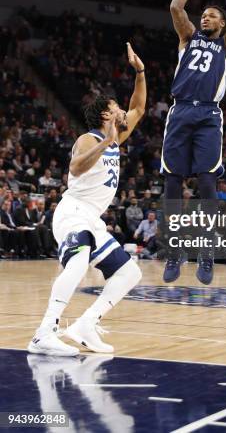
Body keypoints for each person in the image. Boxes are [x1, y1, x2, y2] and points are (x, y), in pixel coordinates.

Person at [28, 43, 146, 357]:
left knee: (129, 273)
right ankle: (44, 333)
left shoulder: (115, 138)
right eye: (117, 107)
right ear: (106, 113)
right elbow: (76, 167)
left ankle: (85, 324)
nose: (123, 110)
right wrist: (105, 141)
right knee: (78, 262)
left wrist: (140, 72)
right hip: (72, 213)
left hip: (91, 219)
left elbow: (140, 108)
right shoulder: (89, 139)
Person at [161, 0, 226, 285]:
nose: (205, 16)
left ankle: (206, 253)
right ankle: (174, 250)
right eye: (204, 14)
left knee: (208, 183)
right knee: (172, 184)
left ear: (222, 25)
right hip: (179, 113)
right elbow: (176, 7)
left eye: (213, 15)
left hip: (209, 116)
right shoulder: (188, 37)